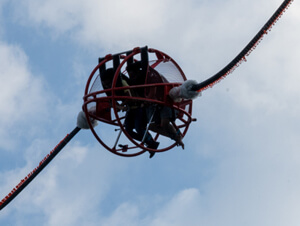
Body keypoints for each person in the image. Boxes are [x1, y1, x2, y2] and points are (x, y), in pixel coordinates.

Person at [125, 62, 159, 158]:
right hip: (132, 109)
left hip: (141, 107)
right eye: (130, 75)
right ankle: (150, 142)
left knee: (139, 128)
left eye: (132, 74)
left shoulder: (143, 79)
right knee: (128, 130)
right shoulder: (131, 81)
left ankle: (151, 142)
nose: (131, 77)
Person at [145, 67, 184, 149]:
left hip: (167, 101)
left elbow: (154, 91)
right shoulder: (146, 79)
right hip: (157, 104)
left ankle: (177, 136)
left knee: (164, 123)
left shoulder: (153, 77)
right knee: (152, 126)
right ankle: (176, 136)